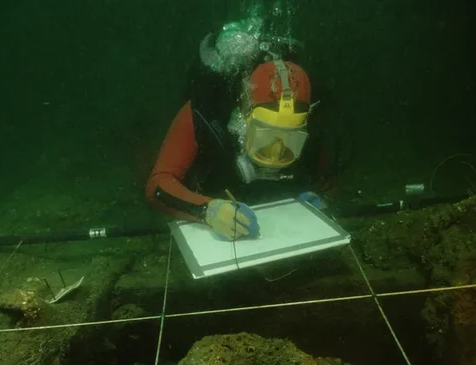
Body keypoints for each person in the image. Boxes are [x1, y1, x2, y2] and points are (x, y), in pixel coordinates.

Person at [145, 15, 343, 241]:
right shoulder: (204, 113)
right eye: (265, 135)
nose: (276, 152)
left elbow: (329, 180)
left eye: (291, 139)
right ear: (244, 115)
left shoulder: (317, 125)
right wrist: (207, 210)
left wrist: (320, 197)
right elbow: (157, 185)